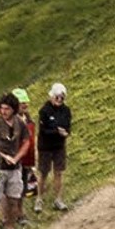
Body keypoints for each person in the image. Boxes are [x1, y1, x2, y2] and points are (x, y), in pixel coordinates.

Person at [0, 92, 30, 229]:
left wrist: (18, 157)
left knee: (14, 197)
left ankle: (11, 222)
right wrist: (3, 156)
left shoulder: (20, 122)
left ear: (13, 109)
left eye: (7, 108)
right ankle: (6, 224)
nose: (4, 111)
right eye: (2, 108)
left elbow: (26, 141)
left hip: (15, 167)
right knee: (1, 198)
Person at [36, 83, 73, 212]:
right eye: (57, 97)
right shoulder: (44, 110)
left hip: (59, 146)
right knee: (43, 173)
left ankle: (58, 199)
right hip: (45, 146)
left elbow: (68, 127)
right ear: (52, 96)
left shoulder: (66, 111)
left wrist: (65, 133)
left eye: (62, 98)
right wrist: (57, 131)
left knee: (58, 172)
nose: (59, 100)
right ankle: (39, 199)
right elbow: (44, 130)